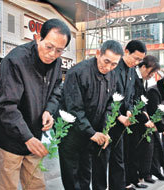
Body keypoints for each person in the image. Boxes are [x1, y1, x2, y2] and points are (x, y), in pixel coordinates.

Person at [0, 19, 71, 189]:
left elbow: (57, 89)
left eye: (59, 51)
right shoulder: (15, 61)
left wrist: (49, 111)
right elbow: (6, 106)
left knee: (37, 185)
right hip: (10, 137)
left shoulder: (56, 62)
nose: (52, 54)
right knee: (8, 186)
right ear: (37, 38)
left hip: (34, 134)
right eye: (49, 47)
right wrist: (26, 137)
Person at [58, 40, 123, 190]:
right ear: (98, 53)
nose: (108, 67)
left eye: (114, 64)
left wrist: (105, 130)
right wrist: (91, 132)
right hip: (72, 133)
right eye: (106, 61)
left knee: (85, 174)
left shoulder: (113, 75)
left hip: (91, 134)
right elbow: (74, 108)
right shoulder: (78, 72)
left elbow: (110, 105)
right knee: (72, 178)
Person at [107, 40, 146, 190]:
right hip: (109, 119)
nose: (136, 63)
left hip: (123, 121)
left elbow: (130, 95)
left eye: (140, 60)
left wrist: (129, 110)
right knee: (104, 158)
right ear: (126, 51)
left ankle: (118, 186)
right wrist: (118, 115)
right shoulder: (113, 67)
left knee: (119, 156)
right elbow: (107, 96)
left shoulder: (131, 71)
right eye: (135, 58)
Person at [125, 55, 161, 189]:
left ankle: (134, 179)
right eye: (150, 72)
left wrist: (145, 115)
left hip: (138, 120)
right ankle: (129, 181)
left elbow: (142, 101)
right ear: (143, 67)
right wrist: (144, 117)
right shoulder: (133, 77)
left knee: (136, 152)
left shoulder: (142, 80)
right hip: (131, 119)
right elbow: (133, 100)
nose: (151, 75)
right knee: (129, 153)